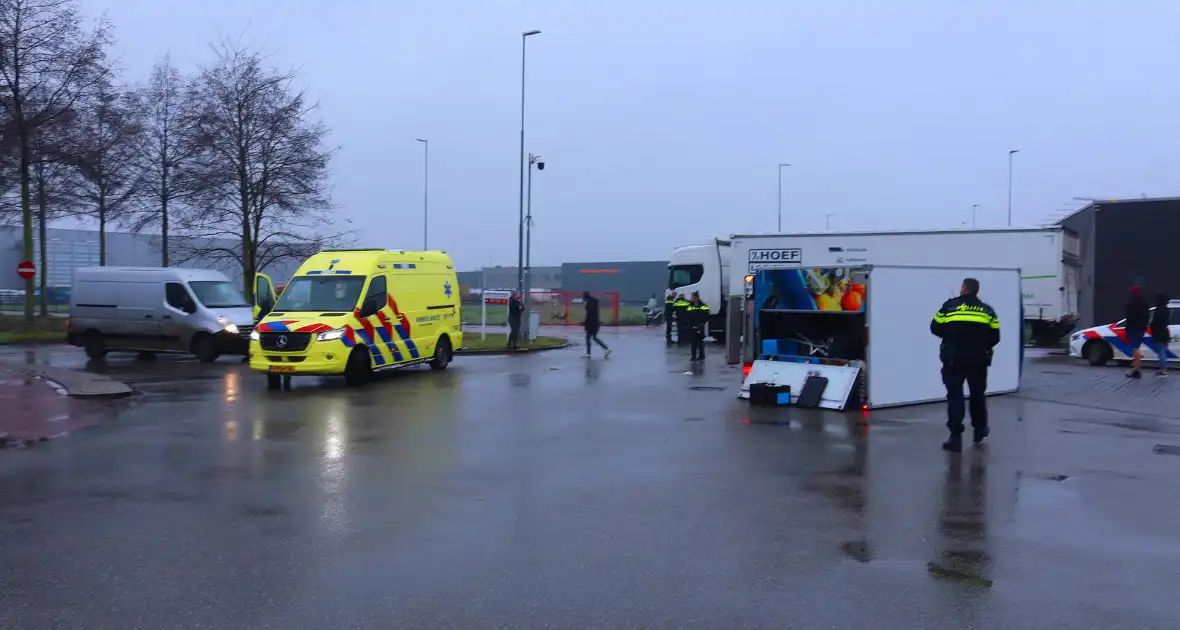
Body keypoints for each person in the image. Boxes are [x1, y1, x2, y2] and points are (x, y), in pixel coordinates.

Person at [930, 277, 1001, 452]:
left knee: (955, 397)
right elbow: (995, 337)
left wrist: (951, 337)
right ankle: (979, 430)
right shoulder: (987, 310)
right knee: (977, 395)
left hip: (953, 359)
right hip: (978, 360)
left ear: (963, 289)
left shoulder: (949, 306)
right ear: (976, 291)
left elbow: (935, 327)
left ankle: (955, 438)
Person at [1124, 285, 1150, 379]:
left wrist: (1127, 327)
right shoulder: (1145, 303)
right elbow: (1147, 316)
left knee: (1135, 349)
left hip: (1133, 328)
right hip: (1141, 328)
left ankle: (1137, 370)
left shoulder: (1132, 303)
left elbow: (1129, 316)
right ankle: (1136, 369)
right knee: (1136, 348)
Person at [583, 291, 612, 358]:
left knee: (588, 338)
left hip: (591, 323)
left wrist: (585, 322)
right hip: (595, 323)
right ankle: (606, 348)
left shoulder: (589, 303)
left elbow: (589, 313)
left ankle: (589, 353)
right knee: (594, 337)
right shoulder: (594, 301)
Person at [1149, 293, 1171, 376]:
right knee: (1162, 351)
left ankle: (1163, 370)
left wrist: (1151, 326)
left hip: (1158, 332)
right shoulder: (1166, 309)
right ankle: (1163, 369)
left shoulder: (1158, 310)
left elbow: (1155, 322)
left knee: (1161, 352)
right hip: (1164, 331)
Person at [687, 292, 709, 362]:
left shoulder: (703, 305)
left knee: (700, 341)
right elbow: (687, 315)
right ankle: (693, 356)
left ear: (696, 298)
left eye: (692, 297)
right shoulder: (690, 305)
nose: (691, 298)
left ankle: (701, 356)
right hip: (692, 326)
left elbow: (706, 315)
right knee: (693, 342)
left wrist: (702, 323)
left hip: (700, 326)